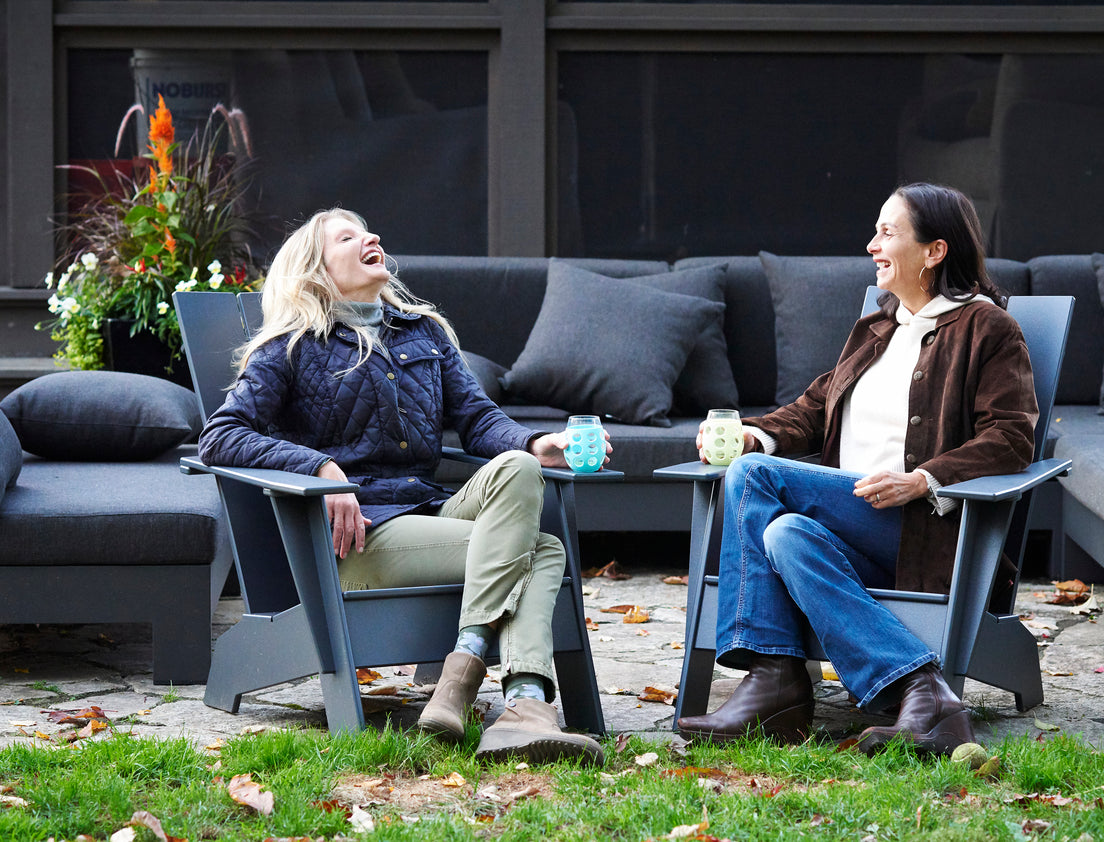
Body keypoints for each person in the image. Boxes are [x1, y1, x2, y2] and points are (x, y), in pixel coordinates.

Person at [199, 208, 608, 765]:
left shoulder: (424, 333)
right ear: (314, 269)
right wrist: (318, 468)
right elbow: (220, 436)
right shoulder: (290, 347)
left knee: (519, 468)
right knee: (542, 553)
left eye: (367, 230)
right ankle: (518, 704)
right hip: (360, 538)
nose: (371, 237)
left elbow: (480, 420)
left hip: (429, 511)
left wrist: (537, 444)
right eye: (347, 237)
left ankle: (466, 677)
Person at [676, 183, 1038, 756]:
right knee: (783, 532)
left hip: (926, 532)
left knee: (752, 476)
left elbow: (1012, 437)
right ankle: (922, 690)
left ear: (935, 251)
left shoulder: (987, 329)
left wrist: (923, 479)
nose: (872, 245)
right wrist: (758, 432)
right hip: (857, 525)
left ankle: (775, 684)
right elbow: (818, 406)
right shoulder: (878, 326)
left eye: (887, 233)